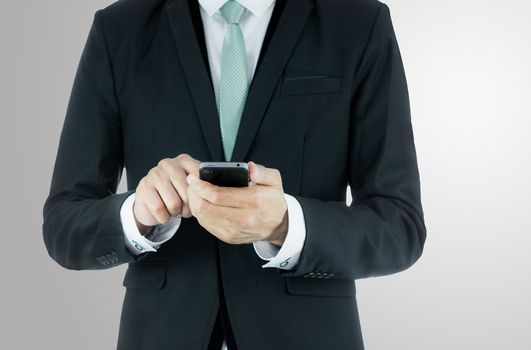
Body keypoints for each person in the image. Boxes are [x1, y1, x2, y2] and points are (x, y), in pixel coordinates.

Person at [42, 0, 426, 349]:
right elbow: (63, 224)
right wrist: (137, 214)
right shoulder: (119, 30)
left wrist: (286, 224)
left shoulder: (358, 22)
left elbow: (399, 225)